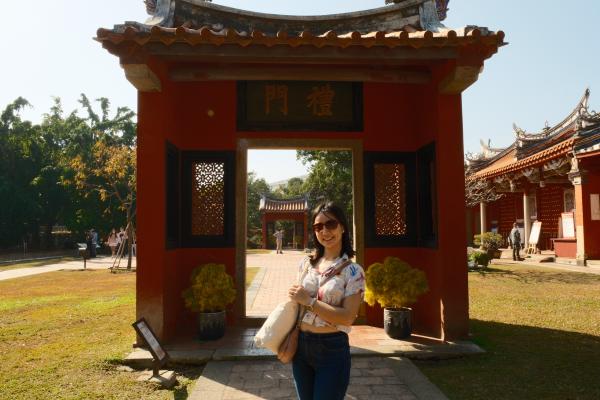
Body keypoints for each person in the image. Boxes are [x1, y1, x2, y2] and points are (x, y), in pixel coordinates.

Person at [287, 201, 365, 400]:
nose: (324, 231)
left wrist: (310, 301)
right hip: (301, 345)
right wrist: (295, 295)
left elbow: (347, 318)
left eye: (330, 224)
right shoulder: (306, 263)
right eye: (318, 226)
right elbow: (298, 300)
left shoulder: (353, 271)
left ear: (343, 227)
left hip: (332, 348)